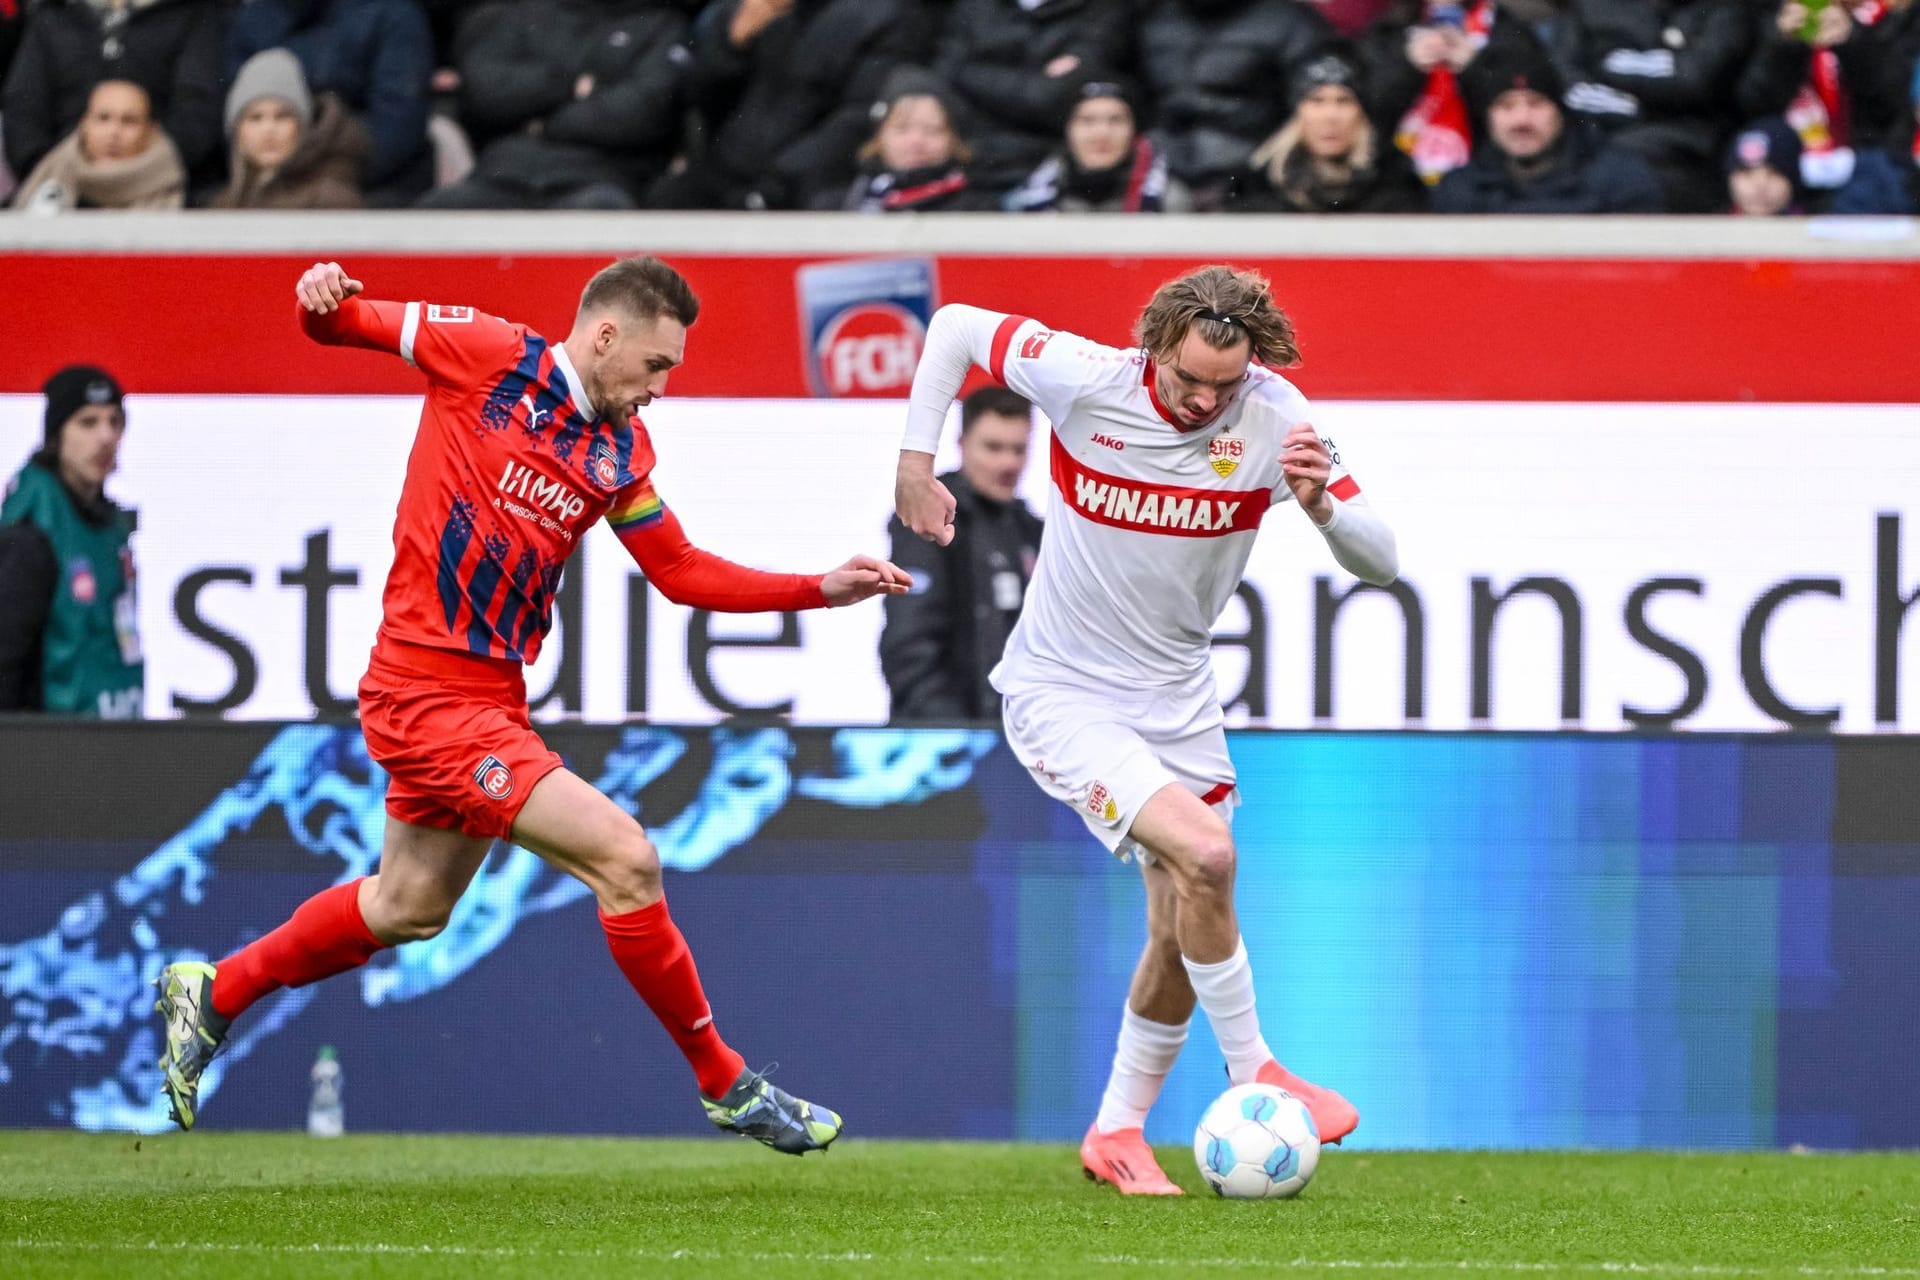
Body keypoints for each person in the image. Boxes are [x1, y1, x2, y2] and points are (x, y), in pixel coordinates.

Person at [152, 256, 910, 1152]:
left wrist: (818, 588)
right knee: (627, 859)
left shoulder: (621, 452)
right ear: (604, 335)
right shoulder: (483, 352)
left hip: (492, 701)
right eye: (656, 366)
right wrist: (318, 298)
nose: (661, 387)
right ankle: (724, 1081)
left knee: (407, 906)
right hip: (422, 692)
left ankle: (215, 990)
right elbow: (339, 325)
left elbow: (679, 573)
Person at [893, 266, 1398, 1194]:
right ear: (1154, 350)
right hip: (1062, 693)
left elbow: (1384, 561)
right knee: (1207, 858)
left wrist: (1322, 506)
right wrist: (916, 462)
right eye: (1187, 381)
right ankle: (1258, 1072)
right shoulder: (1087, 378)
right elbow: (959, 325)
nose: (1206, 399)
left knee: (1180, 924)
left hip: (1179, 702)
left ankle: (1117, 1132)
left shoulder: (1278, 415)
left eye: (1225, 384)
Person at [649, 0, 930, 210]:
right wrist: (730, 45)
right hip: (726, 172)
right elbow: (696, 98)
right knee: (666, 197)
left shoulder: (884, 16)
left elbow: (856, 120)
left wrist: (778, 180)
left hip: (807, 182)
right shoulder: (755, 9)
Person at [418, 0, 689, 211]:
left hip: (600, 179)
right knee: (427, 219)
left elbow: (641, 113)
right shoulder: (517, 13)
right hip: (501, 173)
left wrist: (541, 123)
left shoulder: (662, 25)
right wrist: (570, 85)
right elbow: (485, 90)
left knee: (603, 219)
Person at [881, 386, 1042, 722]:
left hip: (1017, 744)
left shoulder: (1034, 532)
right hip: (941, 747)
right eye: (994, 447)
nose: (1008, 462)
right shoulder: (926, 519)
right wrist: (957, 735)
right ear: (962, 443)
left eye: (1018, 449)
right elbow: (909, 647)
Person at [0, 365, 142, 719]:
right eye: (88, 422)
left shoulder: (110, 527)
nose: (106, 436)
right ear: (56, 434)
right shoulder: (29, 537)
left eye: (115, 421)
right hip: (51, 756)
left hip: (110, 746)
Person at [224, 0, 435, 205]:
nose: (268, 128)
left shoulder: (390, 13)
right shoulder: (255, 18)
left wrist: (317, 172)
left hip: (368, 182)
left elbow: (398, 123)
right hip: (265, 181)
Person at [1553, 0, 1752, 213]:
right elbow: (1564, 81)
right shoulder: (1591, 7)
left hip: (1684, 152)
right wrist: (1637, 106)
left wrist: (1610, 66)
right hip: (1597, 141)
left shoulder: (1722, 9)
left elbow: (1694, 79)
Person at [1, 0, 227, 188]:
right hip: (58, 188)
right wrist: (53, 173)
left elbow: (197, 109)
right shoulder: (52, 15)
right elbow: (23, 109)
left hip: (162, 191)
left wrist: (144, 171)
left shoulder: (193, 14)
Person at [1432, 35, 1666, 213]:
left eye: (1536, 104)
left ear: (1560, 112)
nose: (1521, 120)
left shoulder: (1621, 180)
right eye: (1506, 106)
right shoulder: (1460, 190)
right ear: (1488, 116)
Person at [1137, 0, 1334, 205]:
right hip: (1158, 173)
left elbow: (1315, 100)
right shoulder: (1149, 19)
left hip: (1257, 178)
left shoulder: (1289, 21)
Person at [929, 0, 1134, 196]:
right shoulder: (974, 7)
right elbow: (947, 74)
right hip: (978, 158)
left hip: (1057, 162)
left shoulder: (1101, 8)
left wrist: (973, 74)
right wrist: (1038, 84)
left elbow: (1050, 95)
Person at [1227, 43, 1428, 212]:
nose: (1330, 116)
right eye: (1316, 100)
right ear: (1297, 113)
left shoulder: (1396, 184)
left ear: (1361, 112)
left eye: (1344, 101)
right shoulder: (1257, 188)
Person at [1002, 73, 1193, 213]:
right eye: (1087, 120)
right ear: (1067, 130)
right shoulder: (1023, 201)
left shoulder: (1171, 200)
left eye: (1116, 120)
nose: (1102, 133)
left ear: (1134, 131)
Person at [211, 48, 368, 210]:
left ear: (302, 126)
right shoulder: (225, 206)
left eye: (282, 116)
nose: (268, 129)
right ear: (237, 130)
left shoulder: (331, 201)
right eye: (255, 117)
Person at [9, 77, 185, 211]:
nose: (114, 132)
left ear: (150, 132)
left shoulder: (184, 205)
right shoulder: (49, 181)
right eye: (103, 118)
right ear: (84, 125)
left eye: (129, 121)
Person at [835, 66, 990, 213]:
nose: (916, 141)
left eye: (932, 130)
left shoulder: (981, 210)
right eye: (902, 128)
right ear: (879, 137)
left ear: (954, 140)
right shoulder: (838, 205)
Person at [1723, 116, 1805, 215]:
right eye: (1747, 172)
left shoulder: (1815, 227)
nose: (1760, 185)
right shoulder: (1711, 227)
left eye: (1775, 172)